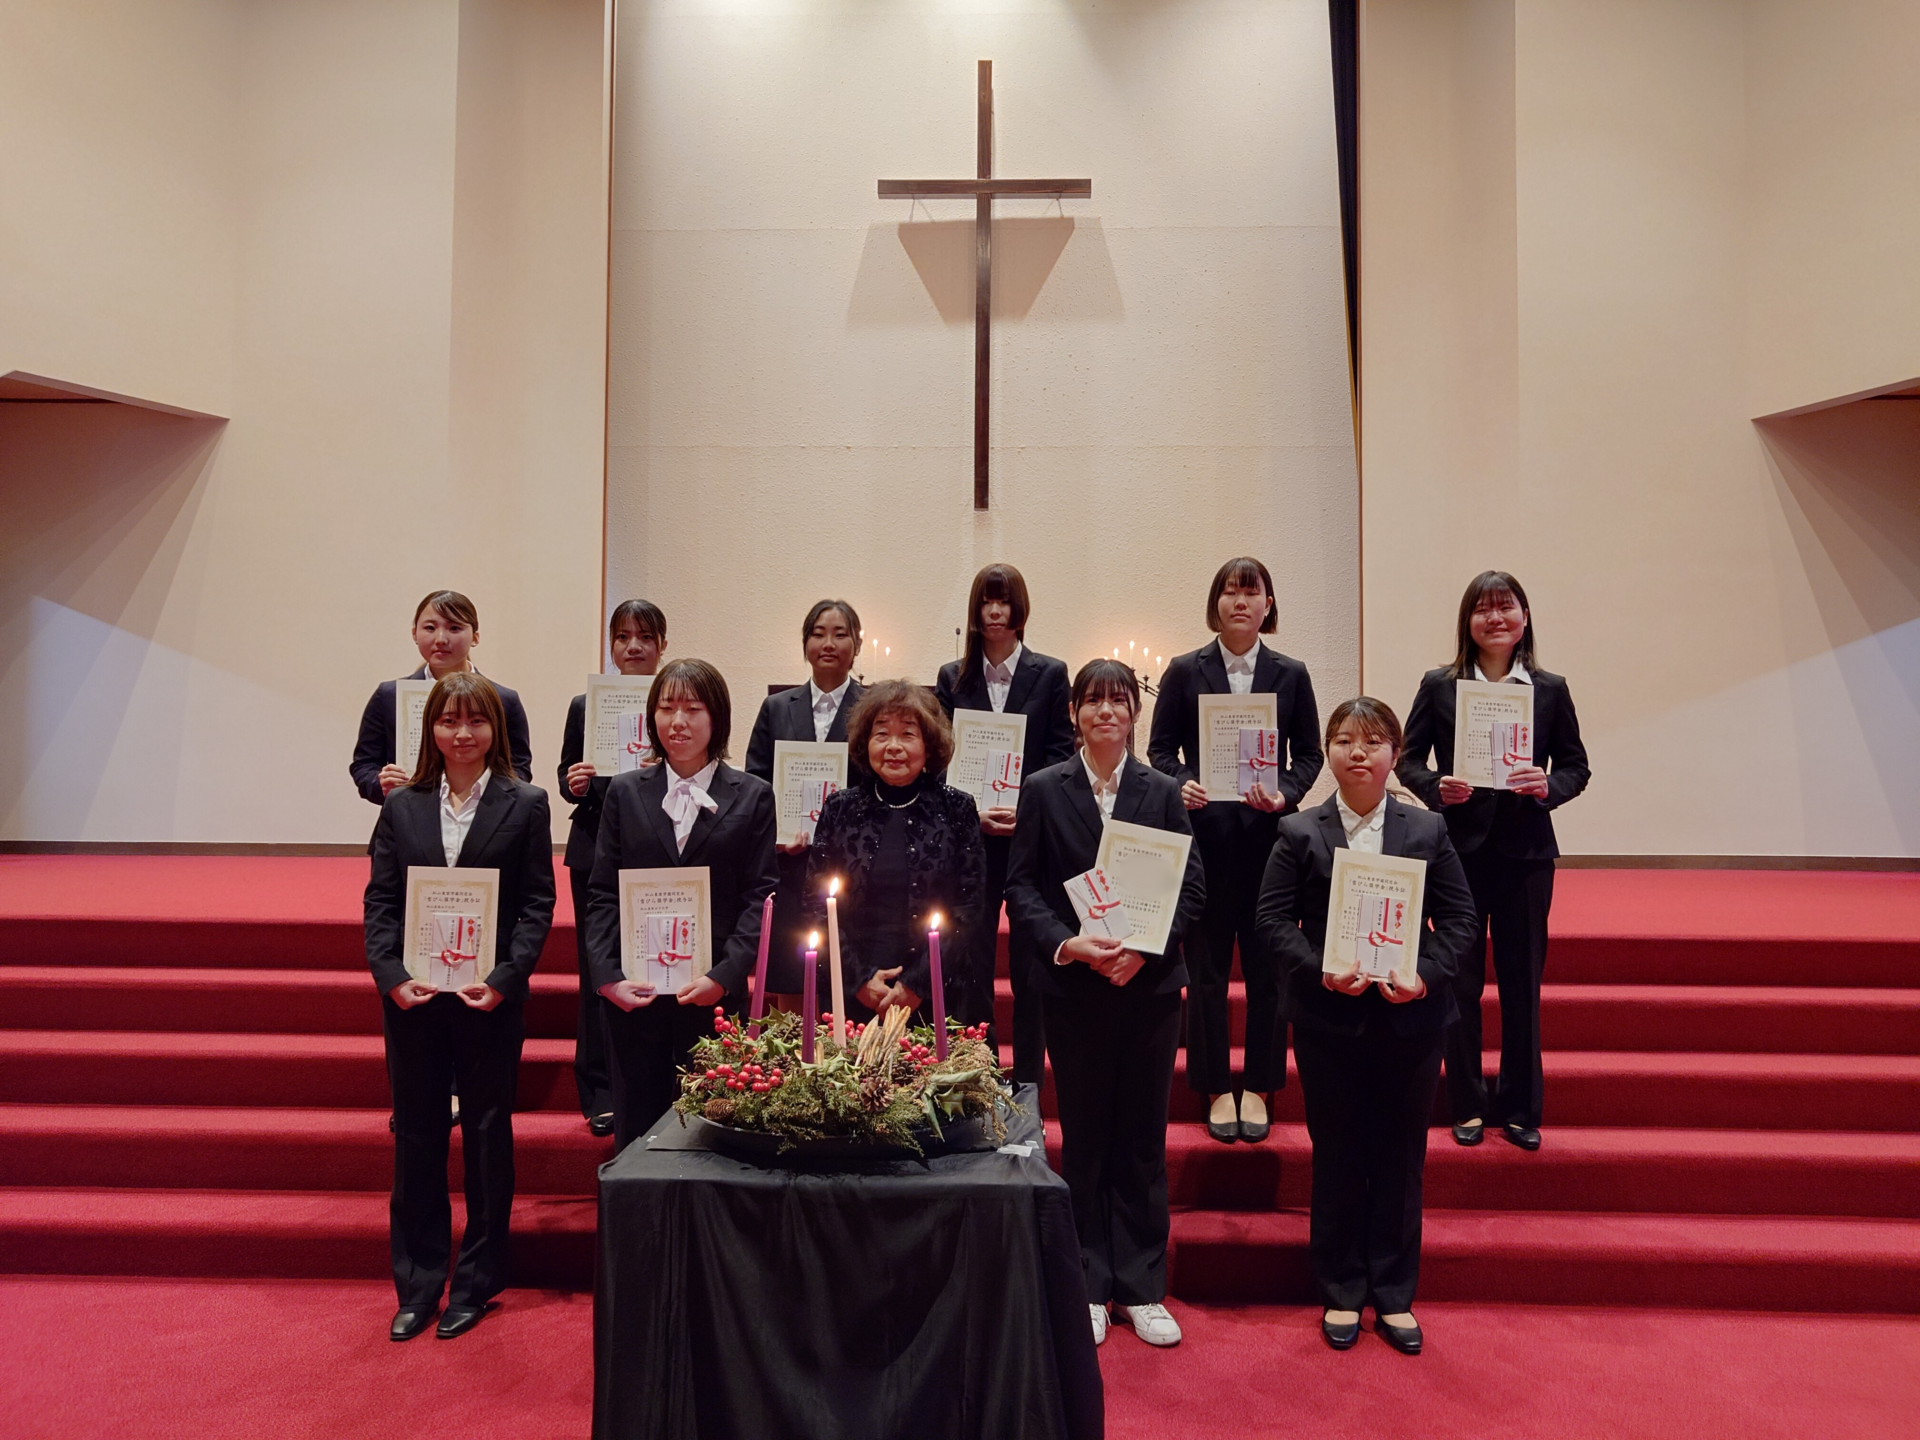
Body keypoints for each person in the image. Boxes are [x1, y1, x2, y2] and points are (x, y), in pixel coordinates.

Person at [1255, 697, 1476, 1355]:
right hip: (1331, 1020)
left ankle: (1395, 1294)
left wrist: (1425, 976)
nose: (1359, 752)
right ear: (1328, 751)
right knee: (1341, 1156)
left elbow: (1461, 921)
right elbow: (1270, 922)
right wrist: (1320, 967)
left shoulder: (1428, 829)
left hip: (1411, 1021)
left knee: (1402, 1158)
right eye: (1346, 740)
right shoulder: (1299, 832)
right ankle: (1344, 1289)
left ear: (1394, 755)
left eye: (1373, 741)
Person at [1005, 659, 1206, 1350]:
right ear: (1074, 713)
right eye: (1093, 701)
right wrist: (1071, 945)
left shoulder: (1162, 791)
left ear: (1134, 713)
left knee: (1143, 1139)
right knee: (1085, 1139)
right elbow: (1023, 887)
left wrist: (1143, 950)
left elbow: (1192, 889)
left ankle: (1144, 1286)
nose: (1106, 712)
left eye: (1119, 700)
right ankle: (1090, 1282)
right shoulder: (1043, 789)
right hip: (1075, 988)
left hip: (1149, 991)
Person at [362, 672, 556, 1343]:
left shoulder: (526, 803)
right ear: (432, 730)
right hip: (413, 1000)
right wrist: (390, 976)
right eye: (450, 721)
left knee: (485, 1137)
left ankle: (475, 1283)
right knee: (416, 1138)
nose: (463, 733)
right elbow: (381, 902)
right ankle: (417, 1285)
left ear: (494, 731)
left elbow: (537, 905)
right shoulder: (402, 806)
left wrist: (504, 978)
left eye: (477, 722)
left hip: (488, 1000)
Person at [1396, 571, 1590, 1151]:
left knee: (1522, 983)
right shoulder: (1441, 684)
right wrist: (1437, 787)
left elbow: (1578, 767)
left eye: (1506, 608)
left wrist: (1547, 784)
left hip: (1526, 853)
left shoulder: (1550, 689)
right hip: (1457, 853)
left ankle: (1521, 1107)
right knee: (1458, 982)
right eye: (1484, 610)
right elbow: (1408, 760)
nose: (1496, 619)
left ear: (1524, 619)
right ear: (1468, 622)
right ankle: (1467, 1104)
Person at [1148, 557, 1322, 1145]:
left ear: (1268, 605)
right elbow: (1160, 751)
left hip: (1272, 845)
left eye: (1252, 592)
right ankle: (1217, 1086)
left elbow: (1310, 755)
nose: (1241, 602)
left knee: (1271, 970)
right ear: (1215, 603)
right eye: (1230, 591)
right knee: (1207, 972)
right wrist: (1180, 785)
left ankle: (1263, 1084)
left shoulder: (1291, 673)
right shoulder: (1182, 670)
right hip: (1206, 844)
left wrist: (1287, 793)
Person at [585, 659, 779, 1149]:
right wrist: (608, 978)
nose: (678, 721)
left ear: (717, 719)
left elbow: (761, 896)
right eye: (666, 708)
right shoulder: (625, 792)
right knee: (638, 1131)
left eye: (693, 708)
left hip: (713, 994)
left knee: (715, 1131)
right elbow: (603, 891)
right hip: (637, 992)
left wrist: (725, 976)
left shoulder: (753, 795)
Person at [934, 564, 1075, 1085]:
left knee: (1030, 963)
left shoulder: (1051, 672)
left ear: (1020, 609)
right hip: (970, 840)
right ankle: (981, 1075)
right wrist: (972, 809)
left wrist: (1024, 807)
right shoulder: (953, 677)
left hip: (1028, 837)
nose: (996, 612)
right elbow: (940, 758)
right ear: (974, 611)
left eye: (1005, 601)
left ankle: (1029, 1080)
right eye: (987, 602)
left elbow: (1061, 753)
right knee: (971, 958)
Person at [804, 681, 985, 1024]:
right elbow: (816, 902)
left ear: (928, 745)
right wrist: (859, 981)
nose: (893, 747)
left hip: (934, 992)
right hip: (853, 993)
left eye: (907, 735)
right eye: (881, 734)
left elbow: (969, 907)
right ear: (865, 742)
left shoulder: (958, 808)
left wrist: (916, 985)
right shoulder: (839, 808)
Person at [556, 600, 667, 1138]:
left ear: (663, 645)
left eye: (644, 636)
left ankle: (659, 1083)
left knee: (655, 965)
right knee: (596, 971)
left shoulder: (676, 702)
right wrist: (574, 780)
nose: (633, 646)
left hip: (656, 853)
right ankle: (598, 1088)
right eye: (622, 637)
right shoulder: (586, 704)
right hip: (595, 843)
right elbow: (563, 774)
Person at [744, 599, 867, 999]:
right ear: (804, 643)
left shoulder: (873, 707)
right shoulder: (777, 707)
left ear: (857, 644)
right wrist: (776, 834)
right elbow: (757, 782)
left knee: (846, 965)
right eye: (818, 633)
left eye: (839, 633)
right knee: (790, 965)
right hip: (790, 861)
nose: (828, 643)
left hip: (852, 862)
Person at [351, 589, 533, 805]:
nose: (441, 639)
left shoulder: (503, 699)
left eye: (454, 628)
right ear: (414, 634)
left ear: (475, 637)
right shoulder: (389, 695)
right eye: (430, 628)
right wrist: (380, 783)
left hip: (482, 821)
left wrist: (490, 796)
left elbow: (519, 768)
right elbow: (364, 764)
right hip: (406, 821)